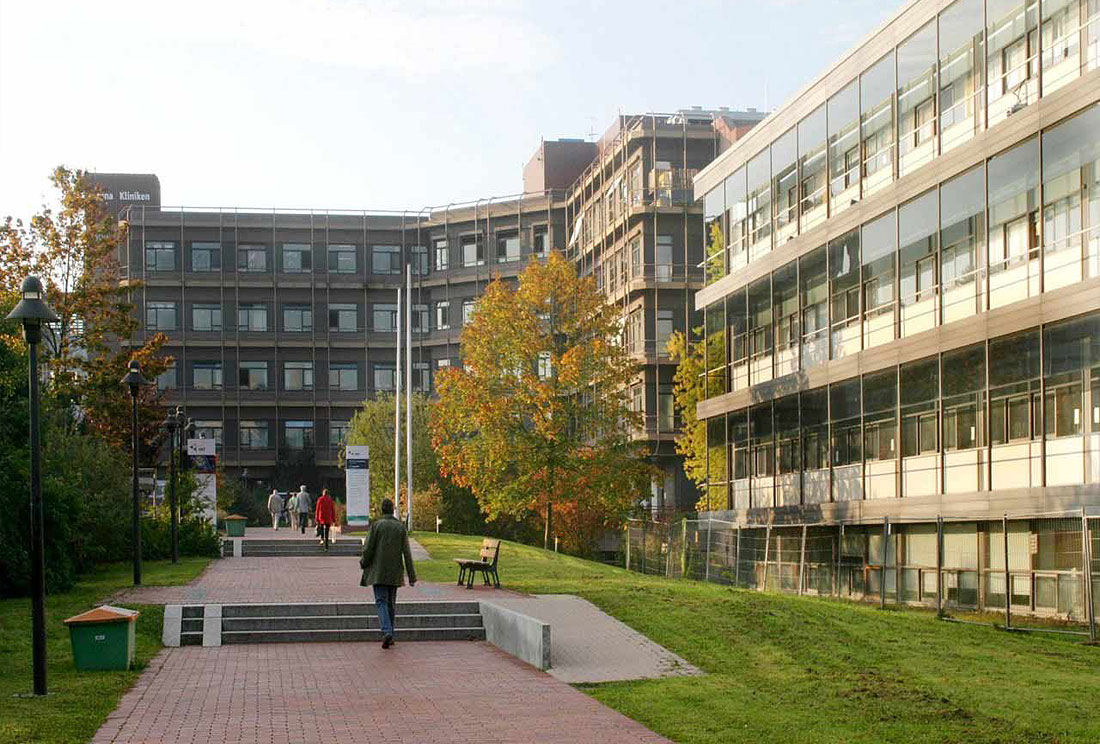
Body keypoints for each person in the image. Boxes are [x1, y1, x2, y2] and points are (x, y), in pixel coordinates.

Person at [359, 498, 417, 649]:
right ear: (392, 510)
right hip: (394, 572)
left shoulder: (376, 526)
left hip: (378, 571)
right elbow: (407, 553)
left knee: (381, 601)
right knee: (391, 603)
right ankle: (390, 634)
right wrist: (411, 576)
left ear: (382, 510)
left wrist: (363, 562)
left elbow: (368, 548)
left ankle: (387, 631)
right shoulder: (400, 527)